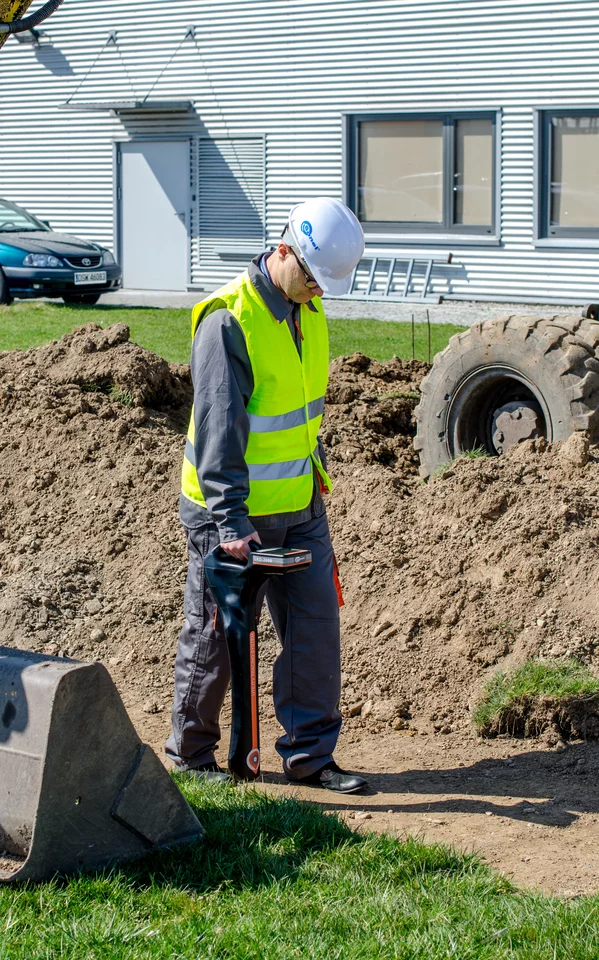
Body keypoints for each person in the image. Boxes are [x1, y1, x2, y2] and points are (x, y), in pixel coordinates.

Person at [165, 197, 368, 794]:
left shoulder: (309, 307)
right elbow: (219, 433)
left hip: (300, 505)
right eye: (310, 276)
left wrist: (312, 475)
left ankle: (309, 758)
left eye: (324, 283)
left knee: (314, 629)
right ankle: (192, 757)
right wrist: (230, 522)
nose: (316, 290)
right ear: (283, 250)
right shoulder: (230, 321)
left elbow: (296, 411)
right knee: (219, 635)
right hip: (229, 511)